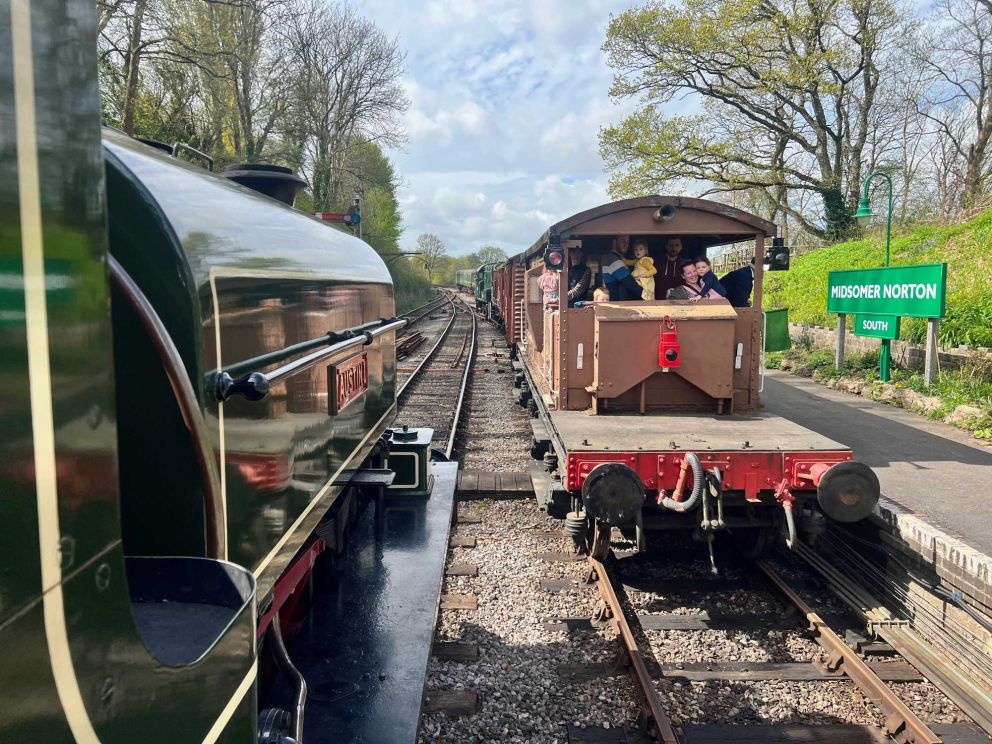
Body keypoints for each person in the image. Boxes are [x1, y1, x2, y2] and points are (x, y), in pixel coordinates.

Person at [601, 235, 642, 301]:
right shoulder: (611, 258)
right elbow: (631, 285)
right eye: (622, 241)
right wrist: (648, 296)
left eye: (627, 242)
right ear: (614, 241)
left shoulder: (620, 259)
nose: (626, 244)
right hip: (618, 305)